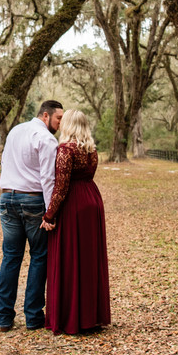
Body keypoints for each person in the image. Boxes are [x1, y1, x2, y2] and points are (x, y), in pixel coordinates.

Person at [0, 100, 64, 333]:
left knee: (11, 256)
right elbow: (48, 178)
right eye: (58, 118)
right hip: (32, 200)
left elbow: (5, 162)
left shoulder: (16, 131)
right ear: (46, 115)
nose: (60, 123)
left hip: (7, 198)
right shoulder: (46, 139)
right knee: (39, 256)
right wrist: (50, 213)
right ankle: (33, 317)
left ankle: (4, 318)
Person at [40, 109, 111, 335]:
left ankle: (72, 318)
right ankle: (92, 316)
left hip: (74, 205)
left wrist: (49, 215)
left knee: (70, 257)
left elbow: (61, 187)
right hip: (92, 200)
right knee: (89, 259)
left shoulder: (65, 149)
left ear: (69, 125)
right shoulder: (91, 149)